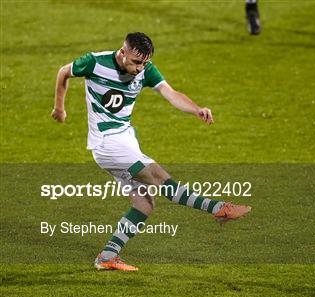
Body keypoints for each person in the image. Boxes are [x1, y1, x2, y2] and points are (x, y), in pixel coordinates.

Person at [51, 32, 251, 271]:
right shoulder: (94, 62)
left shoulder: (146, 69)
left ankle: (107, 256)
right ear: (123, 52)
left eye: (144, 63)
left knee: (144, 203)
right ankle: (218, 208)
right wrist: (59, 108)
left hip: (126, 140)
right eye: (136, 62)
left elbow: (171, 93)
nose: (139, 68)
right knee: (156, 175)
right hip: (107, 143)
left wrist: (196, 109)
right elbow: (64, 72)